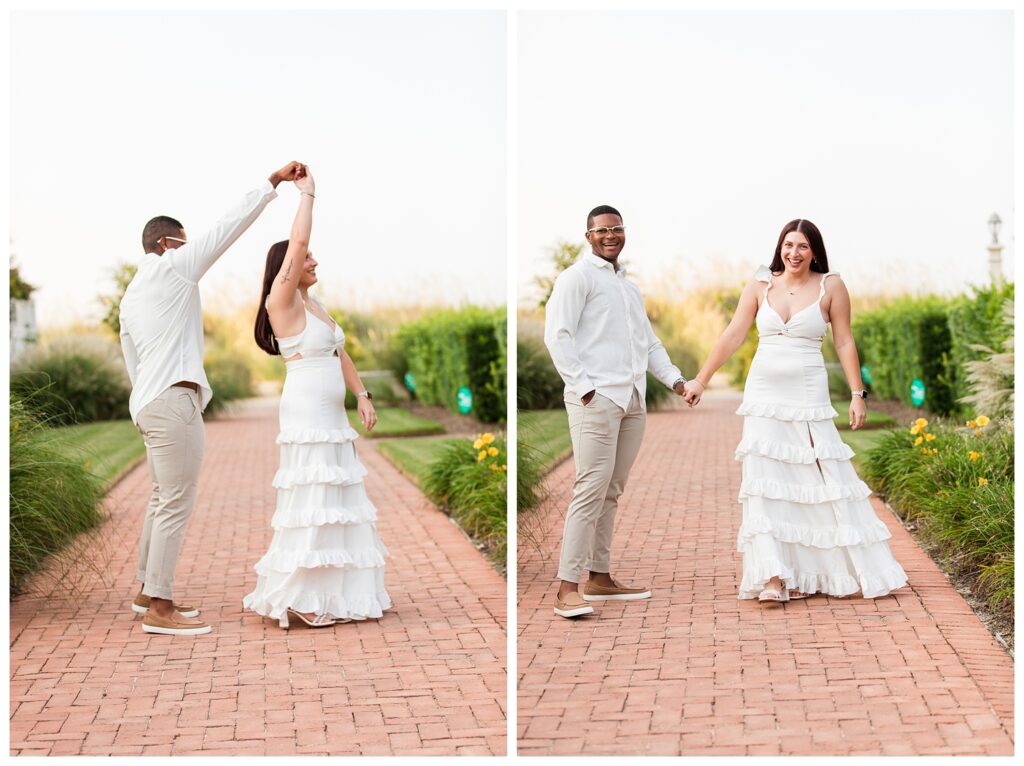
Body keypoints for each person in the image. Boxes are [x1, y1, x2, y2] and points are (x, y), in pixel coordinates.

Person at [120, 161, 305, 636]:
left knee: (162, 499)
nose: (191, 246)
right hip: (171, 400)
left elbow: (131, 357)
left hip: (148, 401)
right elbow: (228, 228)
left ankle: (147, 593)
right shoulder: (174, 267)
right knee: (176, 501)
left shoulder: (131, 293)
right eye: (185, 240)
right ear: (166, 243)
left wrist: (147, 397)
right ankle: (160, 609)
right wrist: (271, 185)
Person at [683, 219, 908, 604]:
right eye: (788, 245)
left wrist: (858, 394)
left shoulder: (831, 286)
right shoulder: (759, 285)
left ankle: (819, 570)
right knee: (765, 481)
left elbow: (844, 341)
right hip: (763, 396)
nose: (794, 253)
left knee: (814, 482)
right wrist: (702, 380)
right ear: (780, 247)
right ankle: (774, 576)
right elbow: (734, 334)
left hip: (808, 395)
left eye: (802, 246)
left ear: (814, 251)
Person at [243, 168, 391, 629]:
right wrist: (307, 195)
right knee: (313, 498)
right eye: (306, 259)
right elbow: (300, 243)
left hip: (332, 414)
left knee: (335, 498)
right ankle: (299, 596)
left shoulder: (316, 306)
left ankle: (332, 593)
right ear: (287, 264)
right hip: (307, 412)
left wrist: (362, 394)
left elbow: (339, 351)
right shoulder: (280, 302)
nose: (314, 262)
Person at [544, 205, 689, 619]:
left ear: (625, 232)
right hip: (597, 400)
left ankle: (600, 577)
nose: (611, 235)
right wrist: (586, 389)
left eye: (617, 228)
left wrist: (676, 382)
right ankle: (567, 588)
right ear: (588, 236)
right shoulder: (576, 278)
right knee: (589, 489)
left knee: (611, 491)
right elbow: (558, 336)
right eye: (602, 230)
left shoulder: (629, 287)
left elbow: (649, 343)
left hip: (631, 401)